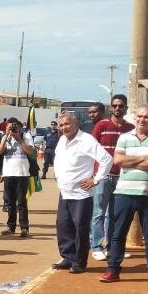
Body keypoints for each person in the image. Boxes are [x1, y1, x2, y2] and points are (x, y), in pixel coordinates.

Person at [99, 106, 148, 286]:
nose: (142, 120)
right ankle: (112, 270)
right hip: (123, 193)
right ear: (134, 117)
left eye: (147, 117)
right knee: (117, 234)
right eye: (139, 116)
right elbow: (118, 160)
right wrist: (144, 158)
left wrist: (131, 161)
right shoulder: (124, 137)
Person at [50, 112, 113, 273]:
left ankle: (79, 262)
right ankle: (67, 257)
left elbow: (106, 159)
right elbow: (58, 160)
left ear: (76, 124)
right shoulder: (62, 140)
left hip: (81, 194)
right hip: (65, 191)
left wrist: (96, 179)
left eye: (67, 124)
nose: (64, 127)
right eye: (62, 124)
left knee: (80, 228)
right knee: (64, 226)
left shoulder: (86, 140)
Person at [90, 95, 133, 260]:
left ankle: (112, 247)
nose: (117, 108)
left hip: (122, 176)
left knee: (116, 214)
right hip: (103, 176)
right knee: (98, 212)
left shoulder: (130, 128)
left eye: (120, 106)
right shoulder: (102, 125)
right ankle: (96, 246)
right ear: (111, 108)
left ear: (125, 108)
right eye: (114, 106)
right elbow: (91, 148)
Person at [0, 117, 34, 237]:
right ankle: (10, 226)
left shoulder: (26, 137)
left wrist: (19, 139)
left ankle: (24, 228)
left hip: (22, 173)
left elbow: (29, 151)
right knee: (10, 202)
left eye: (14, 127)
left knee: (22, 202)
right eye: (9, 128)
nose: (12, 129)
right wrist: (6, 137)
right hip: (8, 173)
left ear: (20, 127)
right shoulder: (5, 137)